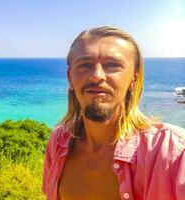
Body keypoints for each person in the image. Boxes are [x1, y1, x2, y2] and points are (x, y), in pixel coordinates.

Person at [42, 26, 185, 200]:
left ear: (133, 78)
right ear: (70, 77)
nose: (97, 76)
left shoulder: (172, 152)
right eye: (85, 65)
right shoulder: (58, 142)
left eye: (112, 65)